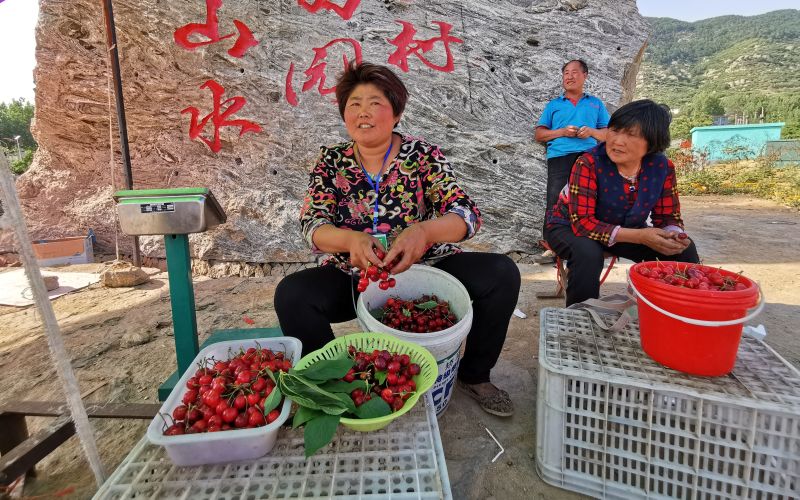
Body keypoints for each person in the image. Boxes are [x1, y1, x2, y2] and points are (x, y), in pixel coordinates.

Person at [274, 62, 520, 417]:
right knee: (293, 294)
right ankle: (335, 387)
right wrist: (350, 241)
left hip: (426, 268)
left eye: (375, 103)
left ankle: (475, 374)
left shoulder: (423, 156)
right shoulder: (330, 161)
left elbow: (466, 214)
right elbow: (313, 225)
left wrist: (425, 231)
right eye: (354, 104)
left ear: (397, 112)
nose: (363, 112)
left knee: (501, 273)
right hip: (356, 276)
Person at [545, 99, 700, 306]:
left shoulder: (662, 168)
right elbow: (582, 223)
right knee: (588, 253)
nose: (617, 141)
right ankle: (579, 317)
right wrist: (641, 236)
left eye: (631, 134)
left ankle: (679, 310)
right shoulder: (588, 163)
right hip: (568, 227)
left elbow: (668, 216)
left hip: (626, 230)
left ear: (652, 142)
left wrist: (673, 234)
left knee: (684, 250)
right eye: (615, 130)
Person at [535, 59, 610, 260]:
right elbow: (539, 135)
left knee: (590, 199)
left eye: (575, 72)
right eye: (566, 73)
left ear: (585, 75)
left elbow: (609, 134)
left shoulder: (595, 103)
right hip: (559, 156)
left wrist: (592, 132)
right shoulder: (554, 105)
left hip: (590, 158)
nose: (569, 76)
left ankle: (593, 242)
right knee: (555, 200)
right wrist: (561, 132)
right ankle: (552, 246)